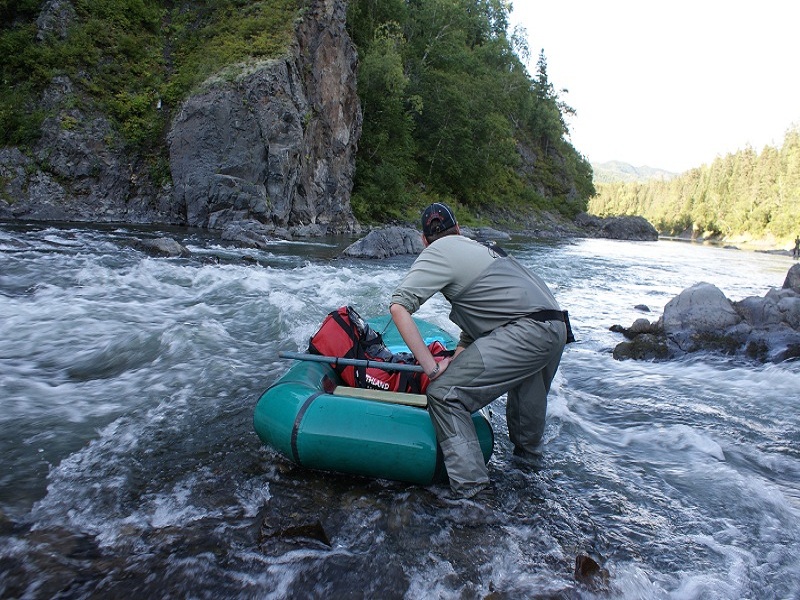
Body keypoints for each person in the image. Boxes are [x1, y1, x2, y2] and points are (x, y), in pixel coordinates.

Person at [389, 202, 568, 498]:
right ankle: (529, 488)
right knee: (525, 426)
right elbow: (485, 315)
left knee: (444, 394)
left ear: (423, 240)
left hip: (524, 331)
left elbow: (399, 307)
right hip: (555, 327)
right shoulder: (483, 247)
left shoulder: (436, 251)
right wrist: (458, 356)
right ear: (458, 229)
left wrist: (432, 369)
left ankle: (473, 495)